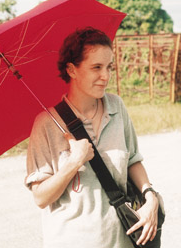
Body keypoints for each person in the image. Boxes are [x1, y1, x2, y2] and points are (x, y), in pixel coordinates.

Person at [25, 27, 159, 248]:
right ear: (72, 69)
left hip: (123, 240)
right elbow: (40, 198)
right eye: (96, 67)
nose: (105, 76)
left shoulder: (116, 107)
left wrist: (150, 195)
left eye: (109, 67)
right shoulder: (46, 123)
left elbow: (133, 159)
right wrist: (74, 162)